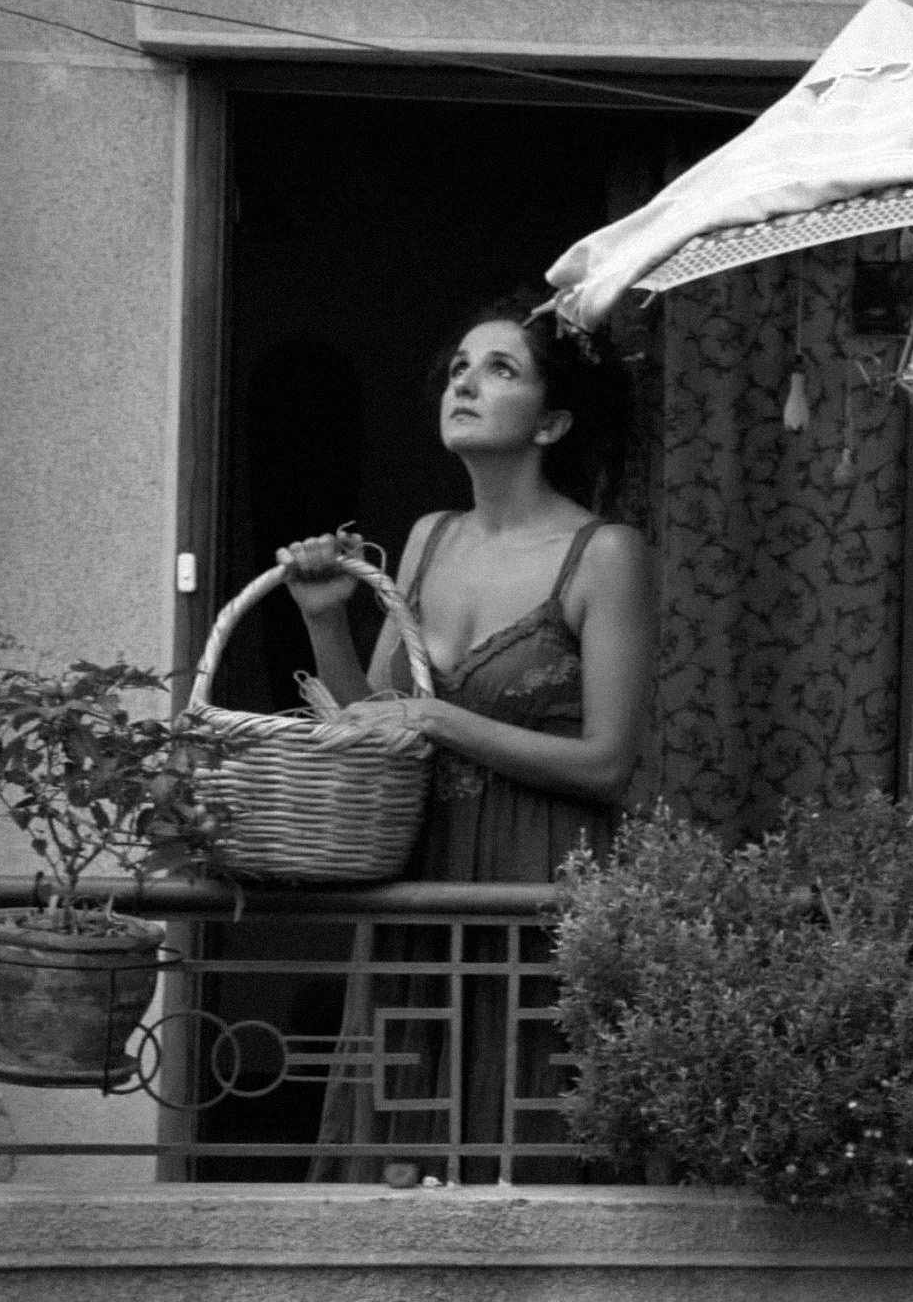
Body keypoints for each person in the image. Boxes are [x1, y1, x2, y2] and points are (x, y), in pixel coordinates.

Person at [279, 295, 652, 1182]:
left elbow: (608, 762)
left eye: (500, 369)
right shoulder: (425, 540)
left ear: (553, 420)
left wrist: (440, 715)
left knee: (531, 1147)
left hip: (543, 880)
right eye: (459, 368)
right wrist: (324, 622)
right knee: (407, 1149)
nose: (467, 383)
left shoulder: (606, 553)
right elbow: (368, 725)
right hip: (427, 874)